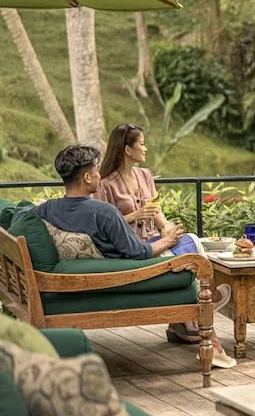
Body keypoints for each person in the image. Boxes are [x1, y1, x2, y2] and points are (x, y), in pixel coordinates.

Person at [39, 144, 234, 368]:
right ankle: (206, 314)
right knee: (191, 241)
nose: (99, 175)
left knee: (185, 243)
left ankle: (191, 324)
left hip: (98, 267)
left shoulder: (48, 209)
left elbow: (22, 214)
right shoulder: (104, 212)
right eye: (96, 170)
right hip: (127, 272)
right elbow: (139, 253)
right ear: (86, 177)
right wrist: (167, 240)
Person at [95, 124, 231, 357]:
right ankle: (202, 306)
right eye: (142, 143)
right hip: (133, 249)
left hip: (157, 240)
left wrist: (169, 230)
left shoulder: (145, 175)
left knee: (192, 240)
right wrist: (133, 216)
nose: (146, 149)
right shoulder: (105, 185)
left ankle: (195, 313)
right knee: (190, 250)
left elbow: (157, 213)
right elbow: (105, 228)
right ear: (127, 149)